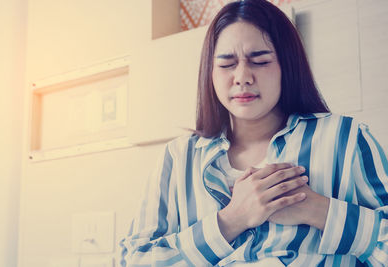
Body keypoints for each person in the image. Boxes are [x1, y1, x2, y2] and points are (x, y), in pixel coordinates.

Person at [120, 0, 388, 266]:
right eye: (226, 64)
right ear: (210, 73)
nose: (242, 76)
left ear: (287, 65)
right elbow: (132, 260)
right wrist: (231, 220)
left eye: (259, 61)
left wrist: (319, 210)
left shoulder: (346, 138)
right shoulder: (179, 157)